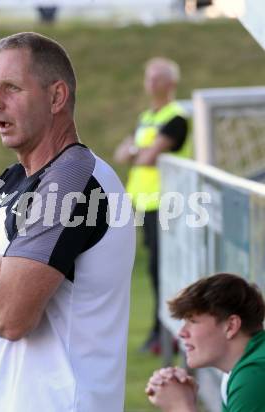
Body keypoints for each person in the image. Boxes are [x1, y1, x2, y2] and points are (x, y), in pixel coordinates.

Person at [0, 32, 136, 412]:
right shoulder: (11, 181)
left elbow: (12, 317)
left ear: (56, 97)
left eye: (10, 88)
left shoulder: (73, 181)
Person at [114, 57, 192, 354]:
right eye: (148, 77)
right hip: (146, 204)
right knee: (155, 271)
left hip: (168, 205)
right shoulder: (147, 117)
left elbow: (144, 157)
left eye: (157, 77)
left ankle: (170, 333)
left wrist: (137, 150)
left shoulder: (176, 118)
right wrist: (138, 150)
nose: (150, 83)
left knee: (167, 272)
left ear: (171, 83)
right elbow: (124, 153)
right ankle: (161, 331)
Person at [145, 273, 265, 412]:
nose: (182, 332)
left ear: (231, 326)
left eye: (193, 321)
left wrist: (181, 406)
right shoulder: (242, 369)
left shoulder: (254, 376)